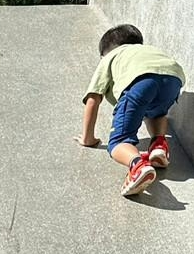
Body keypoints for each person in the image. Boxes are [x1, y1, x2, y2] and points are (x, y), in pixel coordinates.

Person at [76, 24, 186, 196]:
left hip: (140, 83)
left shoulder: (110, 57)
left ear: (104, 52)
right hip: (173, 79)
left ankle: (138, 166)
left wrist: (87, 138)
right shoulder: (149, 51)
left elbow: (93, 99)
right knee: (156, 112)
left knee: (118, 142)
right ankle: (159, 144)